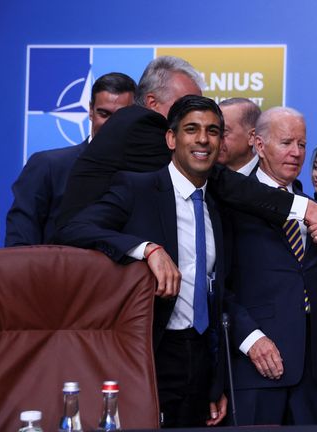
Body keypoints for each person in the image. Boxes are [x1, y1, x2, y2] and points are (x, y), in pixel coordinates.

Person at [57, 95, 229, 427]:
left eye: (212, 131)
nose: (203, 140)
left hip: (201, 362)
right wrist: (146, 248)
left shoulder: (217, 205)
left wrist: (216, 380)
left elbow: (220, 290)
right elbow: (72, 228)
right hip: (148, 353)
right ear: (170, 138)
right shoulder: (138, 188)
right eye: (191, 129)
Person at [55, 56, 317, 248]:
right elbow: (223, 181)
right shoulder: (137, 125)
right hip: (85, 264)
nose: (198, 122)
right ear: (153, 103)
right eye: (186, 106)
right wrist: (305, 209)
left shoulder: (133, 128)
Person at [225, 107, 317, 425]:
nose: (296, 153)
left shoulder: (316, 211)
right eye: (286, 143)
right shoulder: (230, 202)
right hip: (257, 369)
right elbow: (219, 287)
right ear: (258, 143)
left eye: (302, 144)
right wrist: (251, 339)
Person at [5, 72, 136, 246]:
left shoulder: (145, 175)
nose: (110, 124)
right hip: (53, 272)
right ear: (90, 111)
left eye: (120, 117)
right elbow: (20, 248)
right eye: (103, 114)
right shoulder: (48, 166)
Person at [217, 97, 261, 173]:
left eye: (224, 131)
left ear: (252, 137)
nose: (215, 139)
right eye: (213, 131)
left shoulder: (272, 178)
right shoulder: (204, 176)